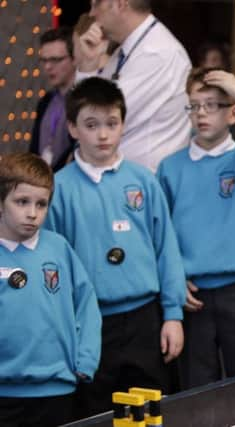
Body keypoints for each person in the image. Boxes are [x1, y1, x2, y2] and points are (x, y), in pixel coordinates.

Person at [44, 77, 186, 418]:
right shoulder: (58, 189)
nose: (103, 134)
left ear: (123, 124)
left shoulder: (143, 181)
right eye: (91, 125)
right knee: (95, 411)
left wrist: (173, 315)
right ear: (73, 129)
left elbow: (166, 249)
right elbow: (52, 267)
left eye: (111, 123)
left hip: (144, 319)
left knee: (152, 409)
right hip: (89, 325)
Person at [156, 68, 235, 388]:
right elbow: (161, 236)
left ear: (234, 113)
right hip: (192, 294)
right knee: (195, 387)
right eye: (194, 106)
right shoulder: (170, 168)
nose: (202, 114)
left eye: (212, 105)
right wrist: (175, 279)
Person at [0, 153, 101, 427]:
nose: (32, 213)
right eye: (22, 202)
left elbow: (87, 304)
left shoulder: (58, 248)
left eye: (41, 204)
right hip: (5, 394)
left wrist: (86, 360)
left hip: (58, 389)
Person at [75, 0, 192, 172]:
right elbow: (83, 117)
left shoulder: (158, 53)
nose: (91, 14)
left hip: (142, 187)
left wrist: (87, 68)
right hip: (126, 180)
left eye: (96, 5)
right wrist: (89, 64)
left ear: (120, 4)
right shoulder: (128, 49)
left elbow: (96, 117)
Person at [30, 27, 76, 172]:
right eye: (44, 60)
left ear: (74, 59)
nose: (48, 67)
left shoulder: (83, 101)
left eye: (56, 60)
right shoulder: (45, 101)